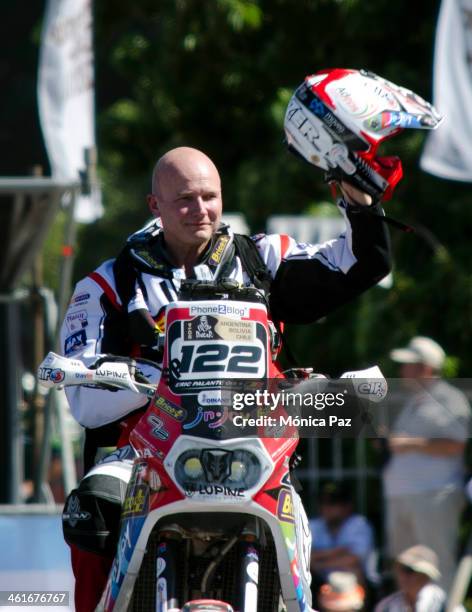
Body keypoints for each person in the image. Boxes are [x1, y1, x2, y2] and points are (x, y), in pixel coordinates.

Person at [61, 146, 391, 611]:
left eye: (210, 196)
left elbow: (360, 262)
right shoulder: (108, 284)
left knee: (297, 536)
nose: (200, 209)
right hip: (145, 462)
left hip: (255, 453)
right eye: (185, 199)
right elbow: (82, 400)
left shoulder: (261, 258)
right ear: (154, 205)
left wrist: (358, 195)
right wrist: (156, 374)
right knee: (89, 515)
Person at [382, 336, 471, 591]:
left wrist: (410, 443)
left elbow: (456, 444)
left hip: (433, 496)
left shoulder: (449, 398)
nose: (402, 371)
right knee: (403, 568)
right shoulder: (415, 401)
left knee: (438, 566)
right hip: (405, 496)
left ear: (426, 368)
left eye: (408, 365)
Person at [310, 482, 375, 587]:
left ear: (348, 506)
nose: (327, 507)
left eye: (333, 503)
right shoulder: (314, 525)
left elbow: (354, 559)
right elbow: (304, 558)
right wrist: (339, 551)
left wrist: (319, 562)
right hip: (320, 584)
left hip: (356, 584)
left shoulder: (359, 524)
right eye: (323, 502)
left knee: (354, 571)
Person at [374, 545, 446, 612]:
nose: (403, 576)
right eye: (400, 569)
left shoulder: (438, 600)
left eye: (409, 570)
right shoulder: (387, 606)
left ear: (425, 576)